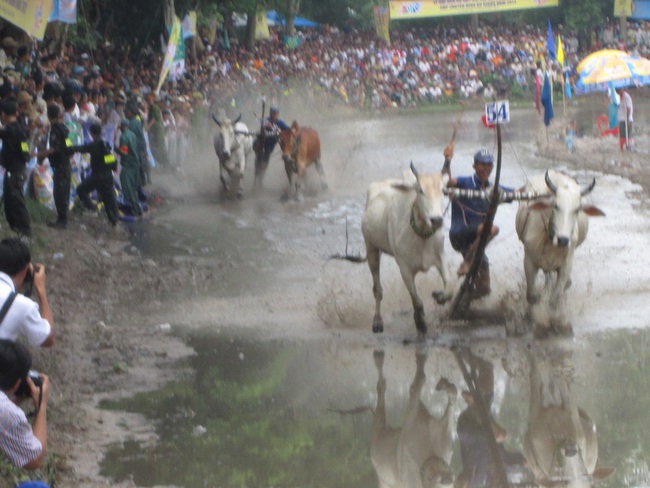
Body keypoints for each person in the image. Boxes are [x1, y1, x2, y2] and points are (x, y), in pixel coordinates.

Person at [445, 144, 510, 299]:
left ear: (493, 167)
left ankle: (462, 300)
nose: (485, 168)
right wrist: (447, 161)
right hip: (460, 234)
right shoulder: (464, 182)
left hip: (478, 241)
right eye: (481, 164)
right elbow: (447, 181)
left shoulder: (495, 188)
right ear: (474, 166)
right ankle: (467, 261)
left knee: (484, 289)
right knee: (492, 229)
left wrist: (536, 189)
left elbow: (518, 192)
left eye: (489, 165)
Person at [0, 339, 50, 470]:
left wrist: (16, 400)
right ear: (17, 382)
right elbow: (33, 459)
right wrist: (41, 406)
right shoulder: (8, 413)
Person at [0, 238, 54, 347]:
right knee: (22, 359)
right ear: (24, 271)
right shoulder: (22, 305)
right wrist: (41, 290)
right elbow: (47, 339)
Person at [69, 122, 119, 226]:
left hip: (98, 176)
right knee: (109, 198)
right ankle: (114, 221)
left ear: (91, 133)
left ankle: (92, 208)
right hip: (107, 176)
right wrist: (114, 168)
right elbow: (111, 159)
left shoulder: (94, 144)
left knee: (81, 190)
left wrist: (69, 147)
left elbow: (82, 148)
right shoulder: (105, 144)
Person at [0, 99, 32, 237]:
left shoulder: (9, 130)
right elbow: (25, 152)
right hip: (18, 169)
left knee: (17, 202)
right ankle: (17, 229)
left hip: (15, 171)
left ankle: (26, 231)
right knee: (9, 202)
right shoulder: (20, 129)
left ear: (3, 114)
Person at [39, 104, 72, 229]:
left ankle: (62, 221)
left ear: (48, 115)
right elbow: (68, 145)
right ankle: (62, 219)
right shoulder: (64, 128)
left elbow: (54, 149)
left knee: (59, 193)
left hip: (60, 165)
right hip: (65, 164)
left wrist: (40, 154)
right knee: (64, 193)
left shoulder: (55, 130)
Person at [118, 118, 142, 217]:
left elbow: (124, 152)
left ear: (123, 126)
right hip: (136, 164)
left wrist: (115, 150)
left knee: (127, 187)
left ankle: (135, 208)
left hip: (128, 164)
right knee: (134, 187)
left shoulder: (123, 137)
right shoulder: (133, 135)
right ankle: (138, 208)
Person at [616, 87, 633, 151]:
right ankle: (623, 148)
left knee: (626, 136)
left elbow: (628, 108)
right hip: (621, 119)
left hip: (625, 119)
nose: (617, 91)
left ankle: (628, 148)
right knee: (622, 136)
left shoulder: (626, 97)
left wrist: (628, 119)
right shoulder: (619, 97)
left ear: (622, 89)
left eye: (618, 90)